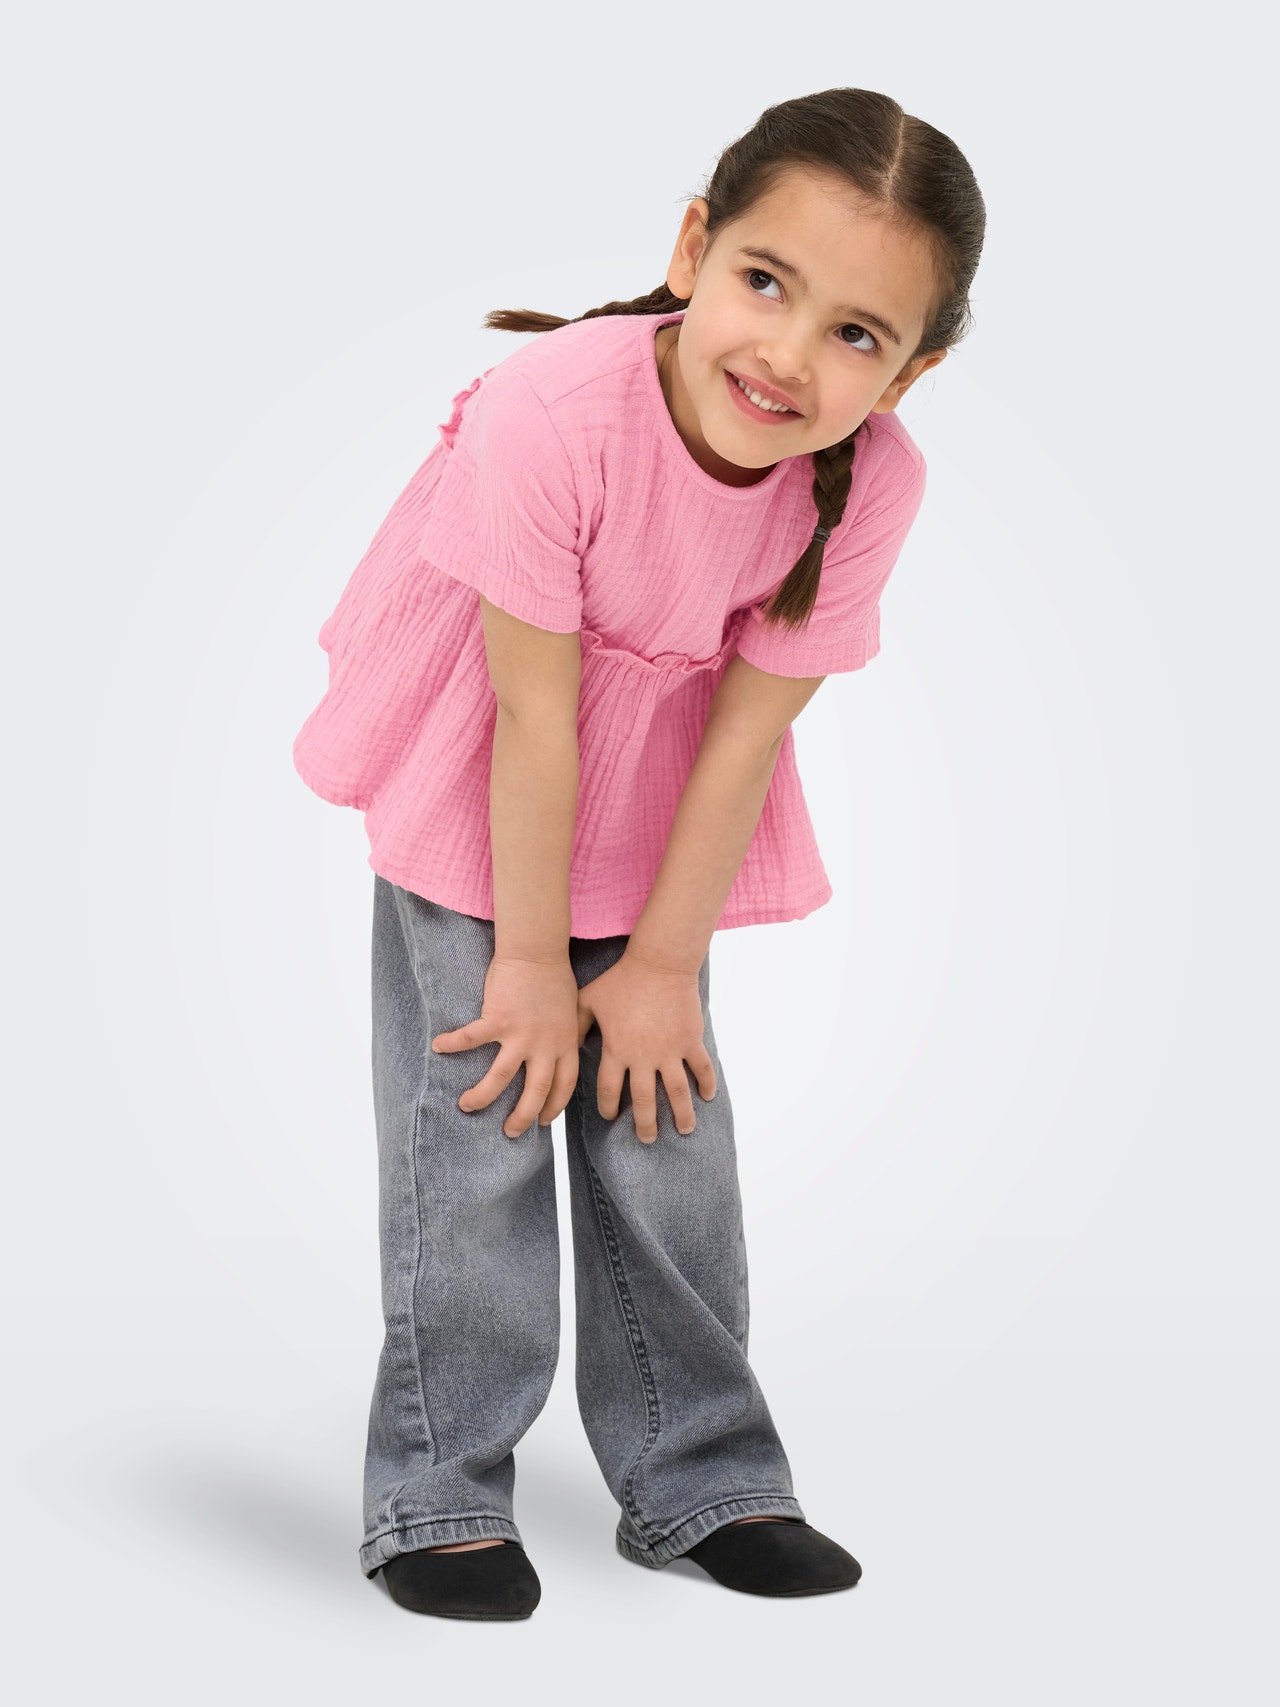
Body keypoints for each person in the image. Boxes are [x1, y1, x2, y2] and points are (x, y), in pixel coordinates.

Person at [292, 85, 985, 1622]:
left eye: (857, 335)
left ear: (911, 372)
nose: (789, 357)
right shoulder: (551, 413)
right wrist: (533, 964)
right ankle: (439, 1493)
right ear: (693, 248)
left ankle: (702, 1476)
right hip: (489, 772)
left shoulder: (874, 482)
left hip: (661, 803)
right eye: (765, 282)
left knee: (670, 1130)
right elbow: (532, 715)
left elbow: (745, 735)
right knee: (484, 1118)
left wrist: (661, 966)